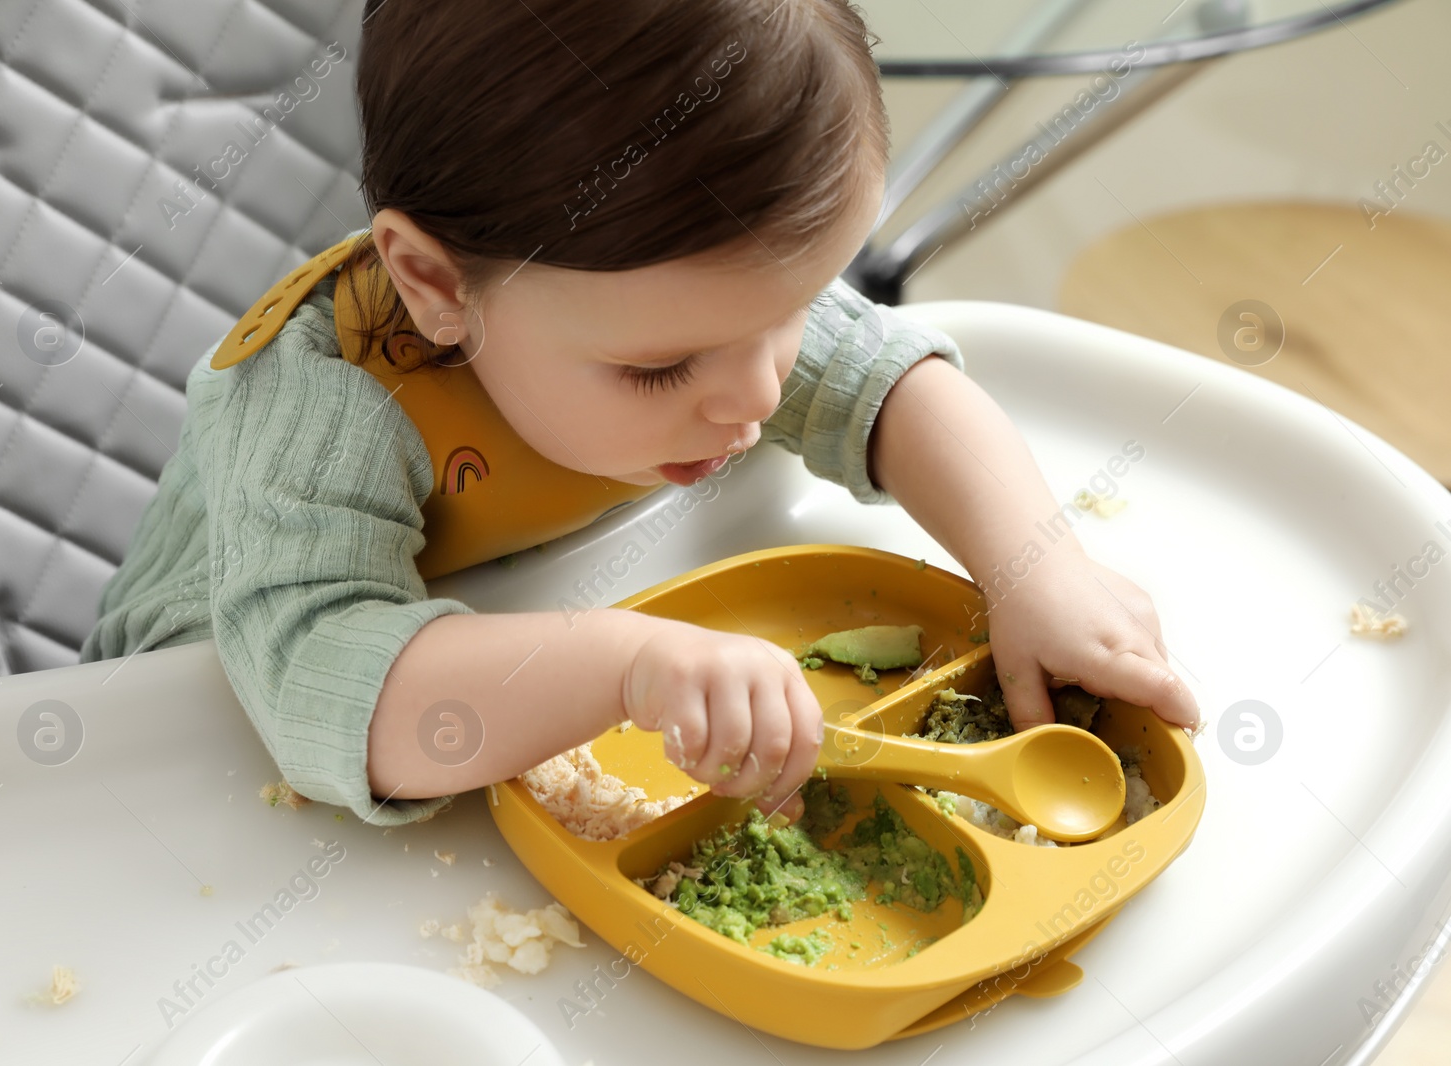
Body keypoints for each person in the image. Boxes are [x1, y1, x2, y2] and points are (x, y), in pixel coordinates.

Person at [81, 0, 1199, 828]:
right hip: (210, 773)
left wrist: (1036, 564)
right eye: (660, 371)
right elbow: (322, 682)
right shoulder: (322, 403)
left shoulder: (704, 304)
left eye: (798, 308)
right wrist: (623, 665)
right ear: (435, 286)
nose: (759, 393)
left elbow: (895, 382)